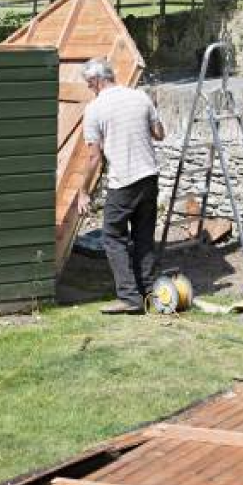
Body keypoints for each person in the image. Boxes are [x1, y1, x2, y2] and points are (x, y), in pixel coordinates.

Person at [77, 58, 165, 314]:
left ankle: (129, 297)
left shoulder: (95, 109)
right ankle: (149, 293)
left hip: (124, 182)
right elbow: (160, 134)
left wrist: (83, 192)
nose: (88, 88)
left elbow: (94, 157)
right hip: (149, 177)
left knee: (113, 237)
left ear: (96, 80)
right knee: (143, 238)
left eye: (88, 83)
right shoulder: (140, 97)